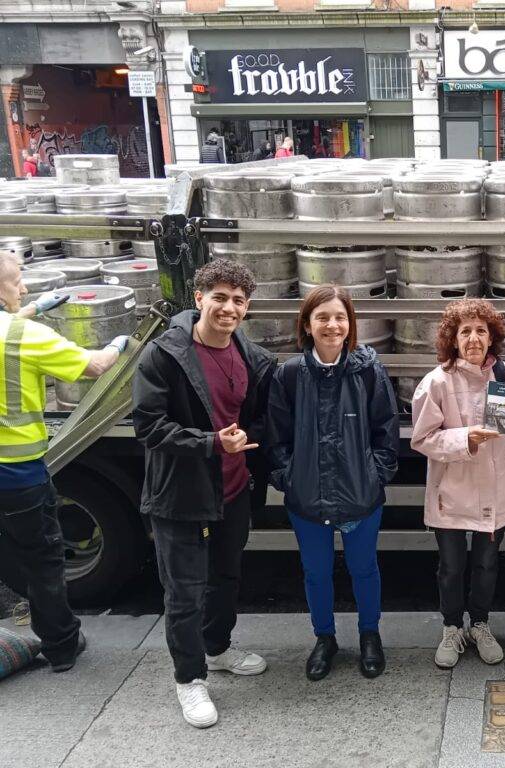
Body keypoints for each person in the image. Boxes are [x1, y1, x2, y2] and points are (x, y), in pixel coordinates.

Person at [132, 259, 277, 729]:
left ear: (246, 307)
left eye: (237, 300)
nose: (228, 308)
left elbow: (254, 419)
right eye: (219, 297)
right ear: (199, 300)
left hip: (232, 491)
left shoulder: (251, 357)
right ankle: (189, 679)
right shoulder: (164, 354)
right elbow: (148, 426)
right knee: (184, 593)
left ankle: (216, 650)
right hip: (180, 495)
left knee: (226, 578)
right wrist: (211, 443)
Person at [0, 252, 127, 672]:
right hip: (17, 475)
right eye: (17, 281)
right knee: (43, 562)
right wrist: (119, 343)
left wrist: (36, 308)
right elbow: (94, 366)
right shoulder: (22, 336)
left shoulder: (19, 328)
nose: (24, 288)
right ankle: (61, 646)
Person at [267, 285, 399, 683]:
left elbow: (386, 430)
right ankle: (324, 638)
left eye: (339, 317)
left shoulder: (367, 370)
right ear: (307, 324)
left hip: (361, 494)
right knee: (316, 572)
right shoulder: (289, 374)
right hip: (307, 496)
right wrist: (289, 478)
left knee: (364, 568)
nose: (332, 325)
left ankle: (369, 635)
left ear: (350, 324)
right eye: (322, 317)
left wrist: (375, 473)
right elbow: (276, 437)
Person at [411, 299, 505, 669]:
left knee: (486, 564)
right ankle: (452, 627)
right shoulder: (436, 382)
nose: (473, 338)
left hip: (495, 492)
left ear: (492, 337)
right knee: (451, 567)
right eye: (465, 331)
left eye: (481, 330)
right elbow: (422, 439)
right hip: (452, 492)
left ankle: (480, 624)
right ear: (452, 338)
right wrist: (467, 438)